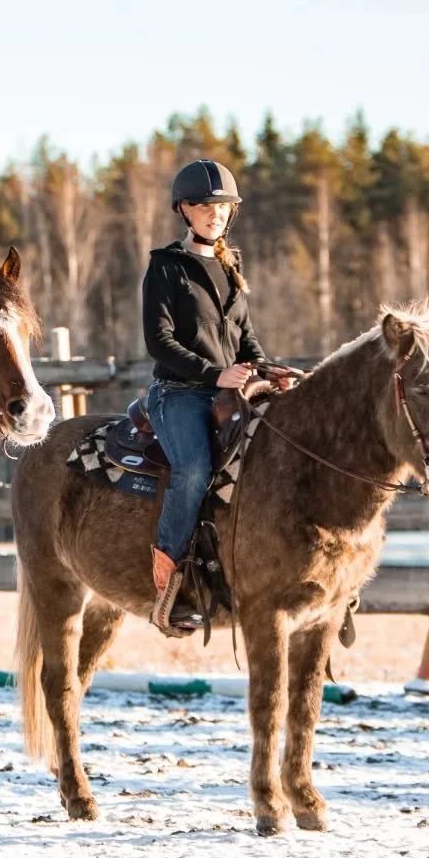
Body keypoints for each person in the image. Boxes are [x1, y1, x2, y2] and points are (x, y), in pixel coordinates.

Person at [141, 158, 269, 637]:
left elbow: (247, 337)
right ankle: (169, 576)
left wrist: (266, 369)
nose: (214, 214)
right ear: (184, 210)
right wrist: (216, 374)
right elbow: (159, 342)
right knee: (194, 470)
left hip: (233, 390)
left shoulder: (232, 269)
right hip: (180, 394)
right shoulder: (166, 267)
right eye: (204, 205)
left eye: (222, 206)